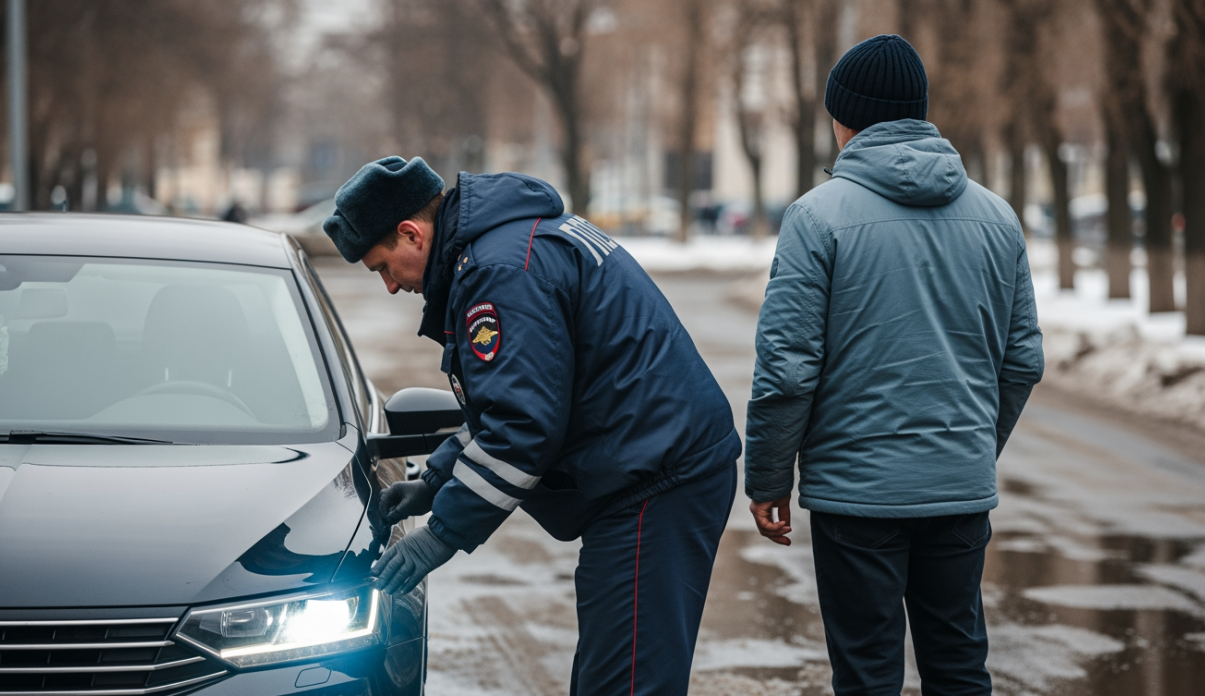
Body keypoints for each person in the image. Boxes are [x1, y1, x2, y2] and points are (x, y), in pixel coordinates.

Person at [322, 157, 741, 695]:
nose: (389, 286)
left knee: (626, 683)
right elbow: (519, 402)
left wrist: (441, 535)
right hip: (651, 468)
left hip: (656, 482)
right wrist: (436, 481)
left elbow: (522, 430)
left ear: (411, 233)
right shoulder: (506, 247)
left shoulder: (499, 273)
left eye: (382, 266)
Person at [744, 35, 1044, 696]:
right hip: (959, 490)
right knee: (960, 665)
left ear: (844, 118)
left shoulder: (815, 219)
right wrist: (965, 447)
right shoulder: (998, 218)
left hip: (858, 498)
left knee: (868, 672)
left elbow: (788, 370)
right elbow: (1023, 361)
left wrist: (768, 478)